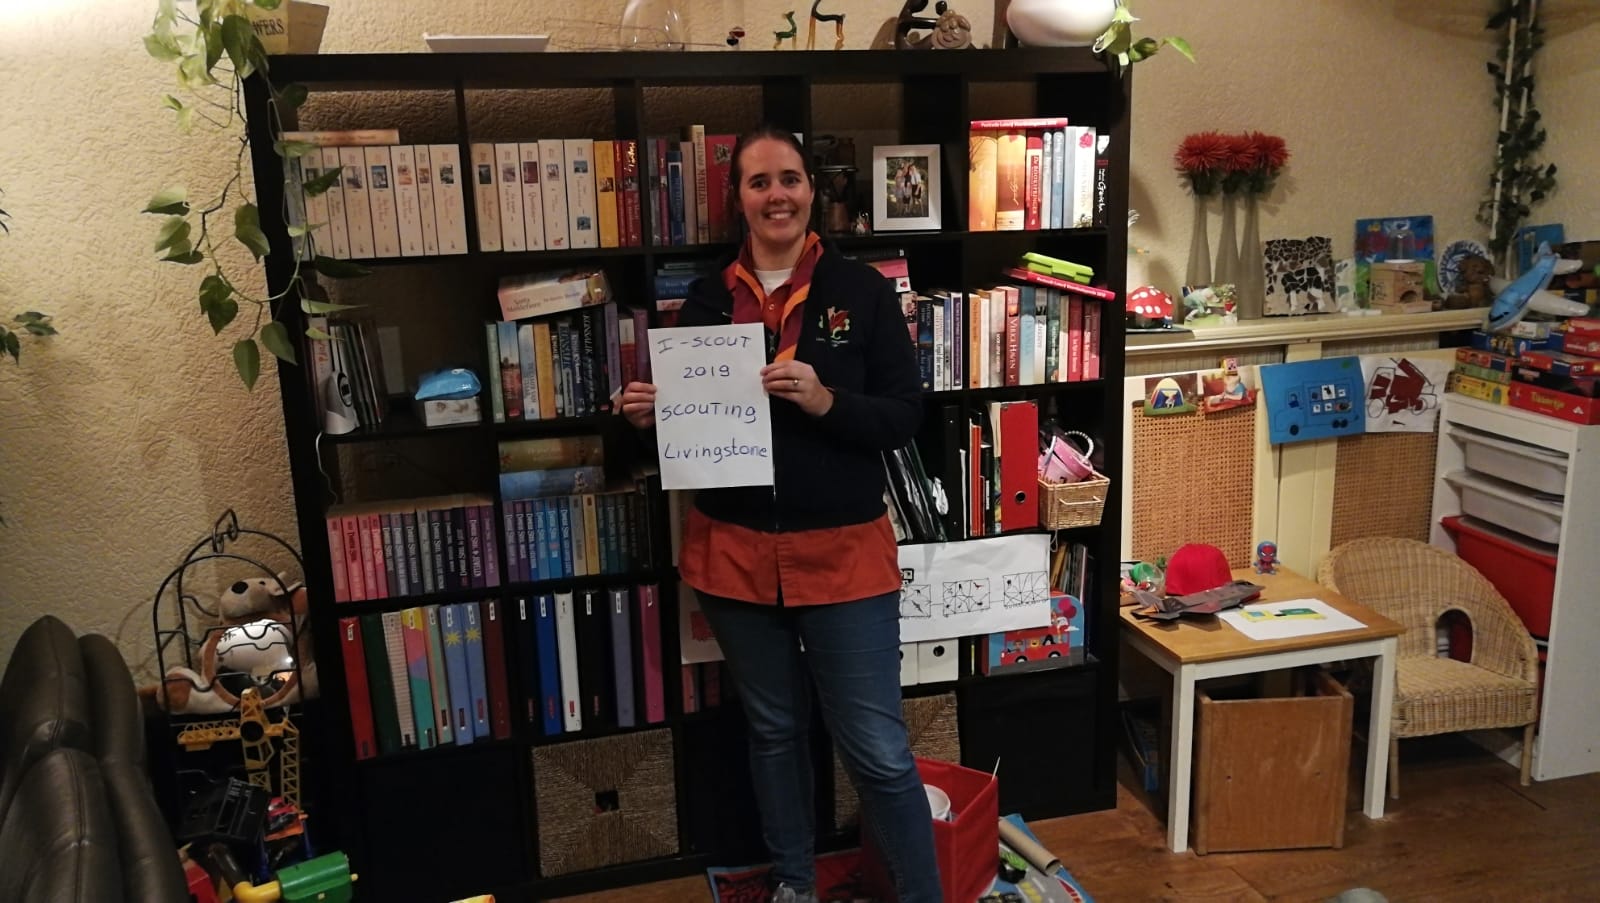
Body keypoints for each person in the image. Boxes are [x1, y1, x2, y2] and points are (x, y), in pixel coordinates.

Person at [619, 126, 941, 903]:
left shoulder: (862, 290)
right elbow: (692, 427)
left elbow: (904, 415)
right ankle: (795, 881)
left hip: (843, 557)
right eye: (759, 182)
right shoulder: (705, 299)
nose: (777, 195)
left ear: (811, 191)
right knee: (773, 731)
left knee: (878, 750)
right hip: (734, 555)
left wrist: (828, 401)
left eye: (790, 179)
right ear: (738, 198)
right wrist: (648, 415)